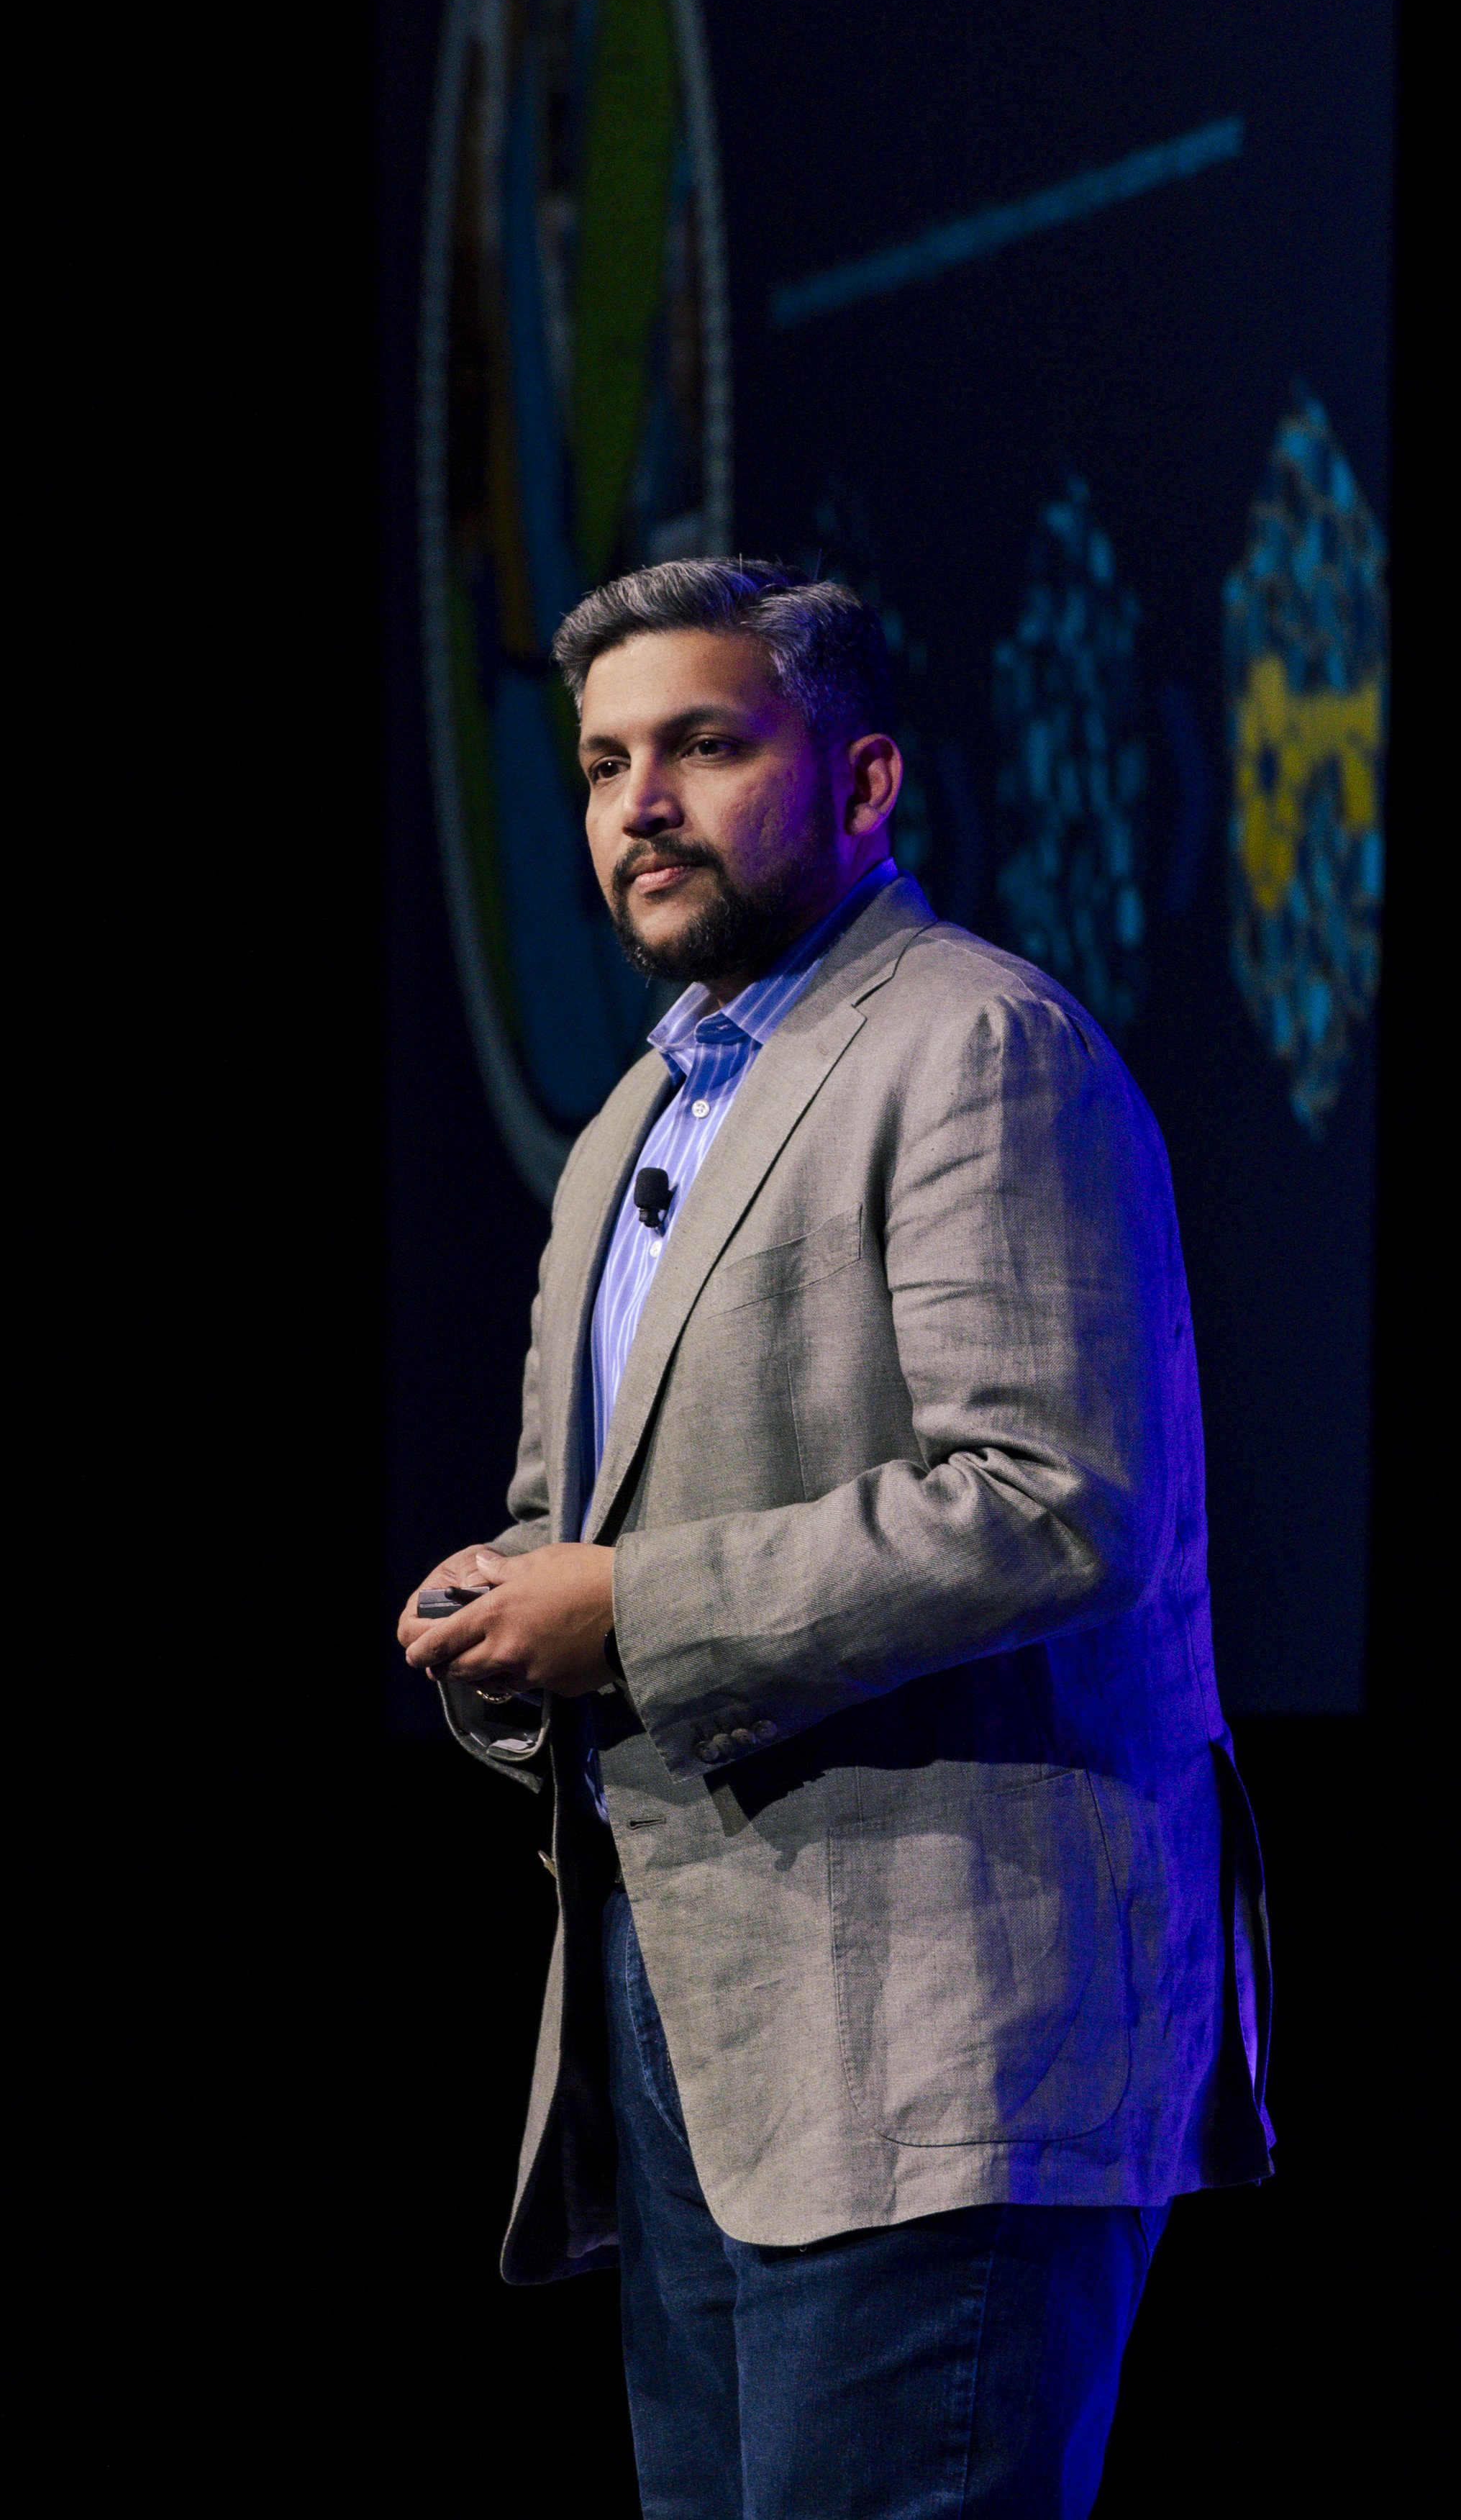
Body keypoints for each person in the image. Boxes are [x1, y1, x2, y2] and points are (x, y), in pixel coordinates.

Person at [399, 560, 1273, 2519]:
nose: (640, 802)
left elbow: (1057, 1506)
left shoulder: (972, 1044)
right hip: (705, 2024)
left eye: (706, 745)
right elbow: (590, 1528)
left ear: (864, 781)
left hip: (940, 2032)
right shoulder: (644, 1111)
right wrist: (508, 1615)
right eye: (607, 760)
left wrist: (624, 1608)